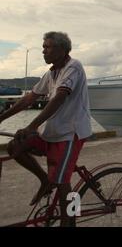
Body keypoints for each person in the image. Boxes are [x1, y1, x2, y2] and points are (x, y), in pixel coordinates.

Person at [0, 32, 91, 227]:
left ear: (62, 50)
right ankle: (44, 180)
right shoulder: (51, 73)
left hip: (70, 134)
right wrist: (1, 118)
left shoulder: (73, 67)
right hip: (51, 132)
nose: (44, 51)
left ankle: (70, 222)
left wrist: (31, 126)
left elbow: (59, 97)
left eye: (48, 47)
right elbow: (28, 99)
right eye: (44, 47)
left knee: (63, 183)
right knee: (15, 146)